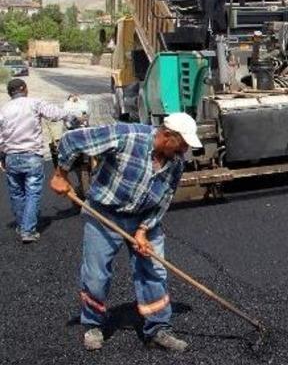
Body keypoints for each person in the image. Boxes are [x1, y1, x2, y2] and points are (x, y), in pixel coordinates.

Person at [49, 114, 203, 352]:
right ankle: (93, 325)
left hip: (143, 219)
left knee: (154, 272)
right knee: (97, 275)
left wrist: (143, 230)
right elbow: (71, 140)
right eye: (182, 144)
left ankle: (158, 329)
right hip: (105, 214)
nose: (184, 151)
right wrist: (61, 174)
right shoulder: (127, 136)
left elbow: (164, 200)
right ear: (167, 135)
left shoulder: (176, 163)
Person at [0, 79, 75, 243]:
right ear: (24, 89)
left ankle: (21, 225)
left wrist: (3, 157)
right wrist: (70, 114)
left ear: (9, 93)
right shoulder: (34, 103)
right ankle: (28, 231)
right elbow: (55, 113)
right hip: (31, 156)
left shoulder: (4, 109)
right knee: (32, 193)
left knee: (16, 193)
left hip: (11, 157)